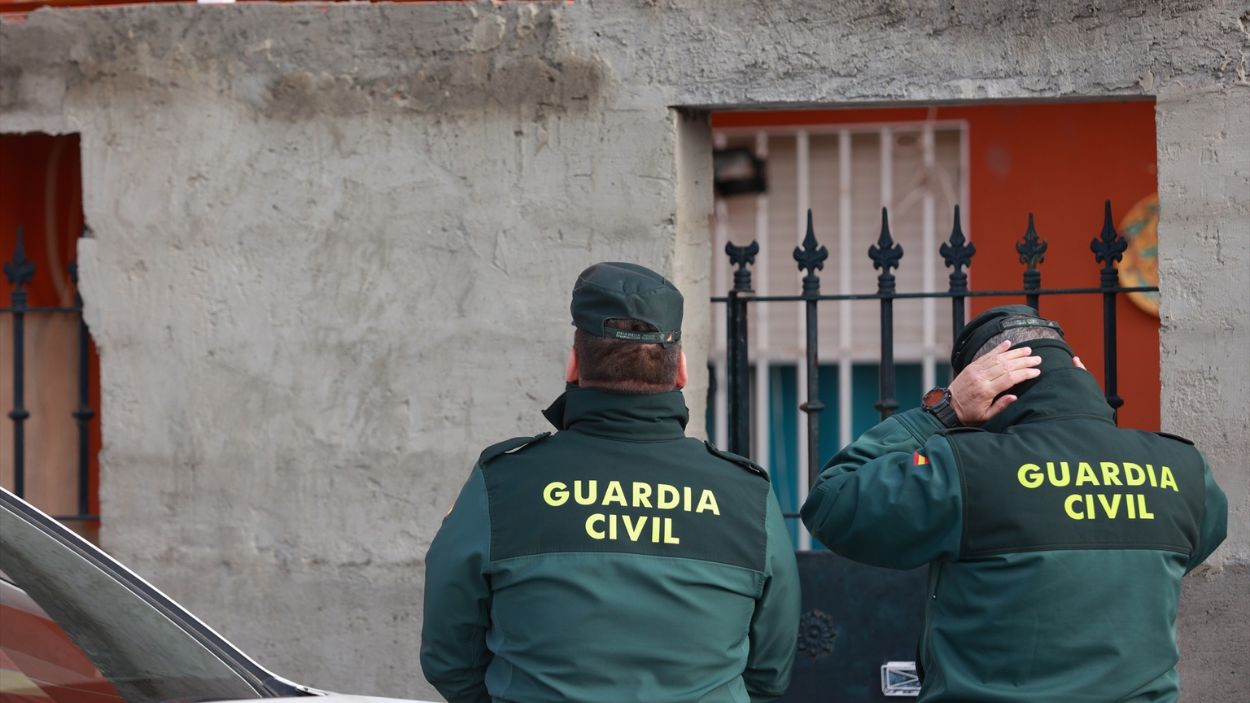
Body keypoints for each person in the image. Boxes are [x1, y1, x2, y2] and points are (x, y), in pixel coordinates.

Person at [801, 304, 1227, 702]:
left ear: (988, 389)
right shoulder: (1183, 469)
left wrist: (945, 411)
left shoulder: (966, 468)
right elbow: (1197, 543)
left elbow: (831, 503)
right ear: (1078, 369)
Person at [421, 262, 800, 703]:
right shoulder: (746, 493)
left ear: (573, 365)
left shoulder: (502, 482)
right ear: (680, 370)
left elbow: (450, 658)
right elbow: (770, 672)